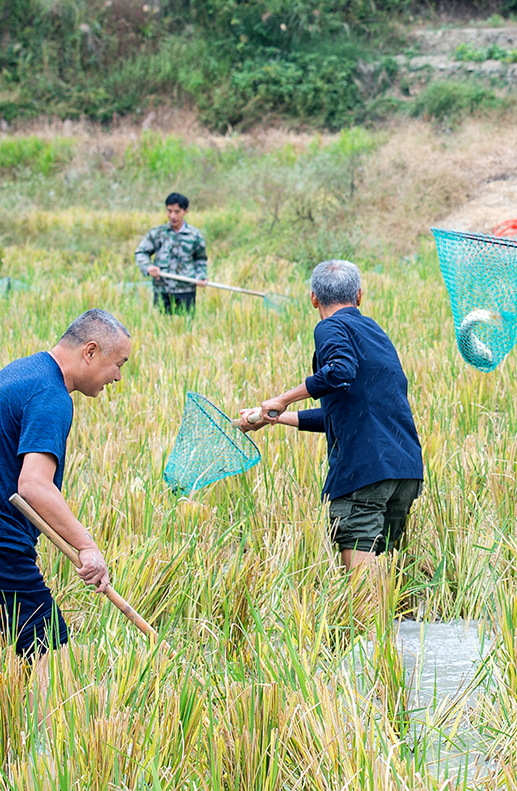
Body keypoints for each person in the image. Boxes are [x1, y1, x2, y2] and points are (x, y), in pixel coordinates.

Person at [0, 309, 133, 657]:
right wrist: (87, 547)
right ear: (91, 351)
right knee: (51, 657)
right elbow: (34, 486)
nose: (117, 377)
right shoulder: (51, 397)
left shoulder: (26, 371)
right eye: (119, 364)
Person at [237, 260, 424, 572]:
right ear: (359, 296)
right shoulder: (375, 333)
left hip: (364, 472)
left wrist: (282, 399)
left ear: (313, 299)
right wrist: (274, 417)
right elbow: (343, 414)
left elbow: (339, 371)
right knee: (385, 582)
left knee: (364, 597)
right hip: (403, 472)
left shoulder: (330, 327)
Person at [135, 192, 208, 315]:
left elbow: (200, 259)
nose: (172, 215)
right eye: (169, 211)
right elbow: (141, 252)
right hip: (163, 289)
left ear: (185, 211)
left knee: (186, 326)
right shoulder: (157, 233)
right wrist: (149, 267)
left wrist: (201, 275)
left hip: (186, 289)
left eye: (177, 211)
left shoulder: (194, 235)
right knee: (162, 326)